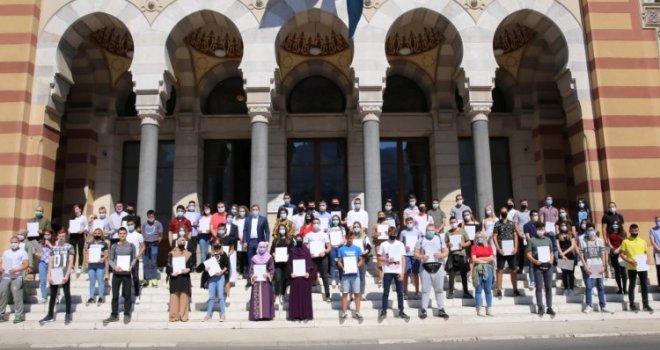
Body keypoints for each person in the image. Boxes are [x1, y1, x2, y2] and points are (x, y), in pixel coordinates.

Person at [39, 230, 74, 324]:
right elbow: (50, 261)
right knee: (53, 294)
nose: (61, 237)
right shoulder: (54, 248)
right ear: (57, 236)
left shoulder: (69, 246)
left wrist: (67, 274)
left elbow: (71, 261)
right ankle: (50, 314)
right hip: (55, 271)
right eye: (60, 236)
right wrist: (49, 274)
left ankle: (68, 313)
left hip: (64, 271)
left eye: (63, 236)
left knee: (67, 293)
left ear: (65, 236)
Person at [414, 224, 449, 319]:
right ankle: (424, 309)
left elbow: (446, 251)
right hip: (425, 267)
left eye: (432, 230)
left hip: (438, 266)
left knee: (439, 290)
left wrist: (441, 255)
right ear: (425, 231)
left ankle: (441, 309)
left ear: (435, 231)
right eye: (428, 230)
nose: (430, 232)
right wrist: (421, 257)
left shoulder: (440, 239)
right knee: (425, 290)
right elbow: (415, 253)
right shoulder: (420, 240)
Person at [103, 227, 137, 325]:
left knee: (127, 295)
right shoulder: (114, 246)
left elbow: (134, 258)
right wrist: (114, 267)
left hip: (126, 274)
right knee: (115, 295)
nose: (122, 235)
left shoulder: (131, 246)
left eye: (124, 233)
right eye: (120, 233)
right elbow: (110, 259)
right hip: (117, 274)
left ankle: (127, 314)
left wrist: (131, 265)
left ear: (126, 234)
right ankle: (114, 314)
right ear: (118, 235)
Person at [619, 224, 653, 312]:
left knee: (644, 285)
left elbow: (645, 253)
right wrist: (629, 261)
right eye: (633, 231)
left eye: (636, 231)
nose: (634, 232)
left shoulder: (643, 241)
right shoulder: (625, 241)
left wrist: (647, 260)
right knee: (632, 286)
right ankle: (632, 304)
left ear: (638, 231)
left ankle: (646, 305)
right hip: (632, 266)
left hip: (642, 266)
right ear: (629, 231)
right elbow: (621, 254)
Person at [579, 223, 611, 314]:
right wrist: (585, 266)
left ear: (594, 230)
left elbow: (603, 254)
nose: (590, 232)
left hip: (598, 265)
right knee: (589, 286)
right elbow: (581, 255)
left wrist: (604, 266)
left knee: (600, 286)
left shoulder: (600, 241)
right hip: (589, 265)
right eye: (588, 230)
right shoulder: (583, 241)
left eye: (592, 230)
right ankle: (589, 305)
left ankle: (603, 305)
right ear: (586, 231)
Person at [378, 227, 409, 320]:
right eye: (391, 233)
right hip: (388, 271)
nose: (393, 235)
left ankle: (401, 311)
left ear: (397, 234)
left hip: (398, 271)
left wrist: (403, 272)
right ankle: (384, 311)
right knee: (386, 292)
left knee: (400, 292)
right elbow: (379, 257)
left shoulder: (400, 244)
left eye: (395, 233)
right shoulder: (383, 244)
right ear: (388, 233)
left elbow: (403, 259)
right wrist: (386, 260)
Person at [527, 222, 555, 317]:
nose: (540, 231)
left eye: (542, 229)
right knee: (539, 287)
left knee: (548, 287)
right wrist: (534, 261)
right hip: (538, 266)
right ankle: (540, 307)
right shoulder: (532, 240)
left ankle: (549, 307)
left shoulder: (548, 240)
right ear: (536, 229)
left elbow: (551, 252)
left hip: (548, 266)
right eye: (539, 229)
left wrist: (551, 260)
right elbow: (528, 254)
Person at [0, 236, 29, 324]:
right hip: (5, 277)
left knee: (17, 297)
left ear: (19, 243)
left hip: (16, 277)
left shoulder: (22, 252)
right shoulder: (6, 252)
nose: (13, 244)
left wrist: (16, 270)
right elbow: (2, 263)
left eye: (15, 242)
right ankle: (1, 314)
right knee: (2, 295)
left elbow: (26, 264)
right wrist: (1, 268)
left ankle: (18, 315)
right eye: (12, 242)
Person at [493, 206, 520, 298]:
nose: (504, 213)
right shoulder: (497, 224)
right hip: (501, 250)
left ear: (507, 213)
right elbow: (494, 237)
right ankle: (499, 289)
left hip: (511, 250)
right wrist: (498, 249)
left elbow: (515, 236)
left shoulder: (512, 223)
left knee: (514, 270)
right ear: (500, 213)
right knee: (500, 270)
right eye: (502, 211)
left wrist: (516, 247)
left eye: (505, 211)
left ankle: (515, 289)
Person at [337, 229, 364, 320]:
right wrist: (342, 267)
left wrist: (357, 265)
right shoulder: (341, 249)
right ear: (346, 238)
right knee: (345, 294)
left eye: (351, 238)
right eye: (348, 238)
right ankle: (344, 312)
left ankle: (357, 312)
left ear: (353, 238)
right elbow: (339, 262)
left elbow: (361, 260)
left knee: (357, 293)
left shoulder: (357, 248)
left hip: (355, 274)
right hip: (345, 275)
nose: (349, 240)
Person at [202, 237, 229, 321]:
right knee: (211, 297)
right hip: (211, 278)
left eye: (218, 243)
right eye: (215, 243)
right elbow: (205, 264)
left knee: (221, 296)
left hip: (220, 277)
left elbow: (227, 266)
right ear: (212, 244)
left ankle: (223, 314)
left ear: (221, 244)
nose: (217, 245)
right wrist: (206, 268)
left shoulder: (223, 254)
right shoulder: (209, 254)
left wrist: (221, 272)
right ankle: (208, 314)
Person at [166, 236, 194, 322]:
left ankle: (183, 317)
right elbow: (168, 266)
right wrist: (171, 272)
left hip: (184, 278)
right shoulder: (171, 253)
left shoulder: (188, 253)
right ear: (177, 241)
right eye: (181, 240)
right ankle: (173, 317)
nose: (183, 242)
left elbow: (191, 266)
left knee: (184, 297)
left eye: (184, 240)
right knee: (174, 297)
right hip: (174, 278)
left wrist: (188, 269)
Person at [304, 218, 331, 302]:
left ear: (320, 224)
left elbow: (329, 246)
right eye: (314, 223)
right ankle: (307, 295)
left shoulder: (324, 234)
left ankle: (327, 295)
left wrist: (325, 252)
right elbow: (304, 247)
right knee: (310, 276)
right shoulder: (308, 235)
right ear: (312, 224)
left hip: (322, 258)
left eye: (317, 223)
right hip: (312, 258)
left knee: (325, 276)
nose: (316, 224)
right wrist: (308, 253)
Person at [287, 235, 313, 320]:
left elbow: (309, 263)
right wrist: (291, 273)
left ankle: (305, 315)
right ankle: (295, 315)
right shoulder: (292, 250)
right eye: (297, 240)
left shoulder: (306, 251)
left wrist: (308, 272)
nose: (298, 241)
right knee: (295, 297)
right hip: (295, 278)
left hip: (304, 277)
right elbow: (289, 264)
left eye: (300, 240)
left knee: (304, 297)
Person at [445, 217, 472, 299]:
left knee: (463, 273)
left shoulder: (462, 231)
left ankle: (466, 292)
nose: (453, 223)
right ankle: (450, 292)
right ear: (450, 223)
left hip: (461, 254)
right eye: (451, 222)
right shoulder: (447, 233)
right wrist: (448, 244)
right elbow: (445, 244)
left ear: (457, 222)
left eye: (454, 222)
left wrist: (463, 245)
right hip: (452, 255)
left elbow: (469, 242)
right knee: (451, 273)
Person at [243, 205, 270, 285]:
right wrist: (245, 241)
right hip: (250, 241)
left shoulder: (263, 219)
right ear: (251, 210)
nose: (255, 211)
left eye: (256, 209)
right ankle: (250, 279)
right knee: (250, 260)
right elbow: (244, 230)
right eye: (253, 209)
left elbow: (267, 231)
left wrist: (267, 241)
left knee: (261, 260)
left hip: (260, 242)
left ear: (259, 210)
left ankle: (261, 276)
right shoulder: (247, 219)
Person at [249, 241, 275, 321]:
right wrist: (252, 276)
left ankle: (266, 315)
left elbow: (272, 269)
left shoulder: (269, 257)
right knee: (257, 298)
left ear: (266, 248)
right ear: (258, 248)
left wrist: (268, 275)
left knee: (266, 298)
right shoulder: (254, 258)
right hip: (257, 281)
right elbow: (251, 269)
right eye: (260, 247)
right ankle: (257, 316)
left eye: (264, 247)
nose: (262, 248)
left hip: (265, 282)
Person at [471, 231, 495, 316]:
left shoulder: (489, 247)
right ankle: (479, 307)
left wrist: (480, 258)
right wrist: (485, 259)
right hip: (477, 269)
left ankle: (489, 308)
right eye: (477, 237)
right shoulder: (474, 247)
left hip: (488, 269)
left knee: (488, 290)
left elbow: (491, 258)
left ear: (485, 237)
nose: (479, 238)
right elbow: (474, 259)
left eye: (481, 236)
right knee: (478, 290)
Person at [270, 224, 293, 305]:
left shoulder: (289, 239)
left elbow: (292, 250)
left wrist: (288, 255)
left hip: (286, 263)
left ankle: (282, 295)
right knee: (278, 278)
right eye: (280, 229)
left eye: (283, 228)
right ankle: (276, 296)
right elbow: (272, 250)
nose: (282, 230)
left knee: (285, 279)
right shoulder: (276, 240)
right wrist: (274, 254)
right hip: (278, 263)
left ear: (286, 230)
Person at [400, 217, 421, 299]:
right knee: (405, 274)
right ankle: (405, 292)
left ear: (413, 222)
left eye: (411, 222)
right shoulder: (403, 232)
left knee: (416, 273)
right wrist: (404, 247)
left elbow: (420, 242)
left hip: (415, 255)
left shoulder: (418, 232)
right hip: (407, 255)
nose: (409, 223)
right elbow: (400, 243)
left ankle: (417, 292)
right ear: (405, 223)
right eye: (408, 222)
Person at [86, 229, 108, 304]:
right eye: (95, 233)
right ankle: (91, 297)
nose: (97, 234)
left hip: (100, 265)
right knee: (92, 281)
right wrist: (87, 259)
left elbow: (107, 254)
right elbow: (87, 253)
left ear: (101, 234)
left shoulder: (104, 243)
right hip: (91, 265)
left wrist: (103, 258)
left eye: (98, 233)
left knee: (100, 281)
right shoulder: (90, 244)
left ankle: (101, 297)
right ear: (93, 234)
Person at [125, 219, 145, 305]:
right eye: (128, 224)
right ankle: (125, 296)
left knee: (135, 277)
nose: (130, 225)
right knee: (125, 278)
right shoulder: (124, 234)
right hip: (125, 259)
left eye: (131, 224)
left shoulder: (139, 235)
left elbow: (143, 246)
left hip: (134, 259)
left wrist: (138, 255)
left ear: (134, 225)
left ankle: (137, 295)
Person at [141, 210, 163, 287]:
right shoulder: (144, 224)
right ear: (147, 216)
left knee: (153, 262)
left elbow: (160, 235)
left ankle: (154, 280)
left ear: (154, 216)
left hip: (154, 244)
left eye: (152, 216)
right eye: (149, 216)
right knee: (145, 262)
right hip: (145, 245)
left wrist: (157, 242)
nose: (151, 218)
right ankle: (145, 280)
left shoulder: (158, 224)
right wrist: (143, 243)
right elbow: (142, 234)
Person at [607, 217, 627, 294]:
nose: (615, 225)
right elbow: (608, 242)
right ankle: (620, 288)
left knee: (623, 271)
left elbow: (624, 242)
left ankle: (625, 289)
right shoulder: (610, 233)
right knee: (617, 271)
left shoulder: (623, 233)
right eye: (613, 224)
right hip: (613, 254)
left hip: (621, 253)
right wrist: (612, 248)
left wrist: (618, 249)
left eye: (616, 224)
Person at [218, 222, 237, 301]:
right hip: (218, 261)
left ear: (225, 229)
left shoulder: (230, 239)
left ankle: (227, 295)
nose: (221, 231)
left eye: (222, 229)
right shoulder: (216, 239)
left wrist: (229, 253)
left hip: (227, 261)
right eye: (220, 229)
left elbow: (232, 249)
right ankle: (218, 295)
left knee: (226, 279)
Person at [557, 220, 577, 296]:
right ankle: (566, 288)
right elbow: (558, 245)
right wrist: (562, 255)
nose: (563, 226)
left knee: (571, 273)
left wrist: (564, 253)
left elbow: (573, 245)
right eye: (562, 225)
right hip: (562, 255)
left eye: (564, 225)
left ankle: (571, 289)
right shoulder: (558, 235)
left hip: (570, 255)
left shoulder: (571, 235)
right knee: (564, 273)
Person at [68, 204, 88, 275]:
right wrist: (69, 230)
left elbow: (86, 227)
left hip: (80, 236)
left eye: (77, 209)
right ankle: (72, 267)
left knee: (80, 252)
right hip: (73, 236)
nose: (76, 211)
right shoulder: (72, 217)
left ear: (80, 209)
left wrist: (82, 230)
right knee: (73, 252)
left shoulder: (84, 217)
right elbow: (70, 227)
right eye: (75, 209)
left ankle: (80, 267)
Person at [34, 229, 53, 304]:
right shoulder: (40, 243)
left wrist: (50, 245)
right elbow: (40, 256)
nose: (47, 236)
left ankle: (54, 296)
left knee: (53, 281)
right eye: (45, 234)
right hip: (42, 263)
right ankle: (44, 297)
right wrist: (36, 253)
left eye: (48, 234)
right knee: (43, 280)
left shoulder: (55, 242)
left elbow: (57, 251)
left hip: (52, 263)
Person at [370, 211, 390, 285]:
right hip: (378, 245)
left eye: (382, 214)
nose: (381, 216)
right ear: (378, 216)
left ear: (384, 215)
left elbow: (392, 234)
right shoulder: (375, 225)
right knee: (379, 262)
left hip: (387, 244)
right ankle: (381, 278)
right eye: (380, 215)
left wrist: (388, 233)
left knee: (387, 261)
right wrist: (376, 234)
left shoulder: (387, 224)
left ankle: (387, 277)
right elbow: (372, 235)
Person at [327, 214, 346, 287]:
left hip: (340, 247)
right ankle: (333, 279)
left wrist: (342, 242)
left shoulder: (342, 228)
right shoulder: (329, 229)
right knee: (332, 264)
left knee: (340, 263)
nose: (335, 221)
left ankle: (341, 279)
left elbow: (344, 238)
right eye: (334, 219)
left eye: (337, 219)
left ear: (339, 220)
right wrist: (330, 245)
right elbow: (327, 238)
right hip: (332, 248)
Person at [513, 199, 531, 274]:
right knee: (522, 252)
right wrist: (519, 234)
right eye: (522, 203)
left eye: (525, 203)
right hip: (522, 235)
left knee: (531, 250)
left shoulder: (530, 213)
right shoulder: (517, 213)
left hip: (530, 235)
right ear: (520, 204)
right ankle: (521, 267)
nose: (524, 204)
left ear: (527, 204)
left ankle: (532, 267)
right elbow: (515, 224)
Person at [523, 210, 539, 289]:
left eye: (537, 215)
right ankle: (532, 281)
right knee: (531, 264)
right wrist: (534, 243)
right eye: (534, 215)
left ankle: (539, 280)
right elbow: (527, 236)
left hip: (541, 247)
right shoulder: (526, 225)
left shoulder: (540, 224)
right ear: (531, 216)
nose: (536, 216)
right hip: (531, 247)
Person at [649, 215, 660, 289]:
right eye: (657, 221)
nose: (658, 222)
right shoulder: (652, 230)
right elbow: (652, 241)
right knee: (659, 269)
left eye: (659, 220)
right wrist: (658, 249)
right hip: (657, 253)